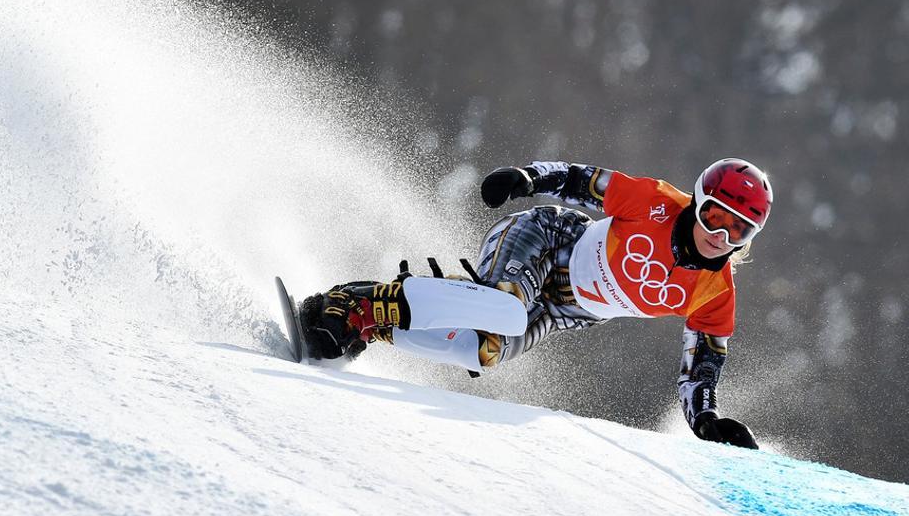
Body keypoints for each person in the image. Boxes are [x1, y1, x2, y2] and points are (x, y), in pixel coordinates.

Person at [300, 159, 773, 449]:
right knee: (503, 308)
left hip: (564, 312)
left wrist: (709, 422)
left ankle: (373, 325)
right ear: (698, 202)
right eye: (715, 217)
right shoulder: (655, 201)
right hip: (546, 240)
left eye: (738, 231)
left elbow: (700, 374)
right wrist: (525, 178)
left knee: (480, 351)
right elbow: (579, 180)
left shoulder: (717, 293)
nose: (720, 237)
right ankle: (352, 305)